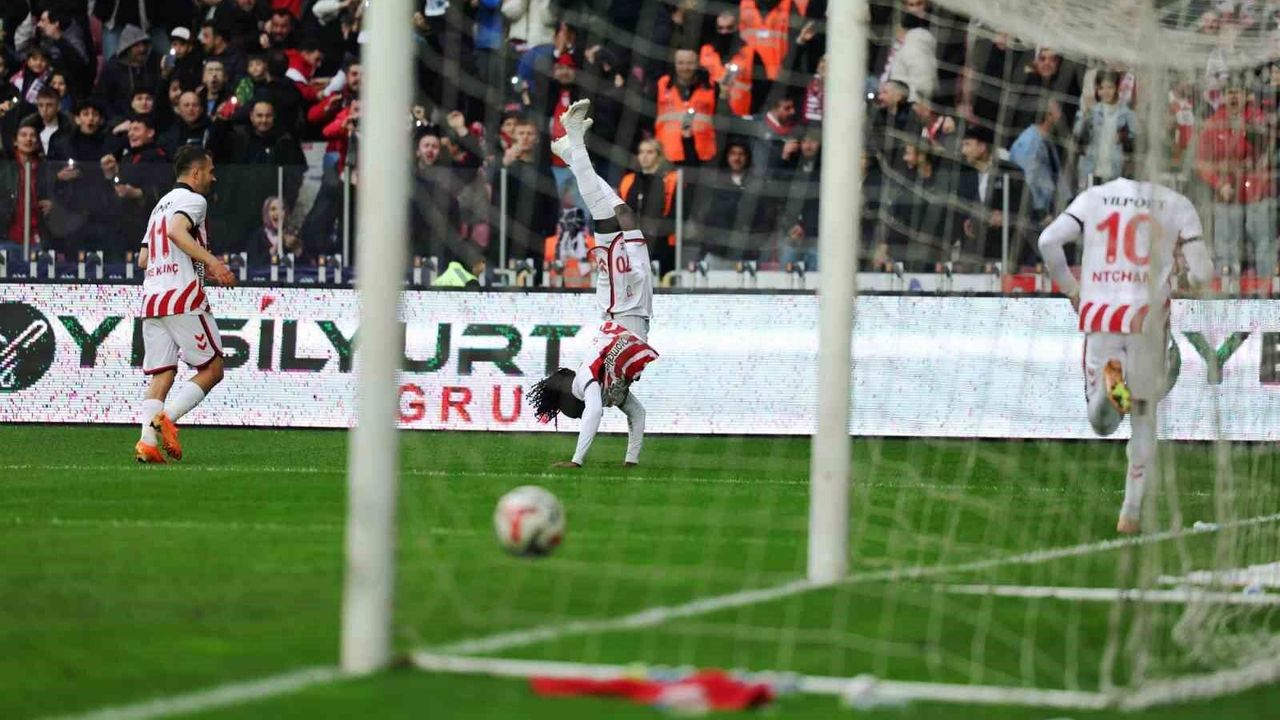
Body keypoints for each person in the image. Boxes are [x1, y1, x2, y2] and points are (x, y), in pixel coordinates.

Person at [1037, 174, 1214, 534]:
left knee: (1102, 425)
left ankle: (1110, 387)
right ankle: (1130, 513)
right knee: (1144, 416)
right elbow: (1203, 272)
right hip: (1148, 320)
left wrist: (1072, 289)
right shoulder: (1178, 204)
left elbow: (1048, 241)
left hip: (1101, 315)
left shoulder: (1095, 196)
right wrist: (1187, 281)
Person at [134, 145, 237, 464]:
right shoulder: (194, 201)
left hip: (152, 299)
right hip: (182, 297)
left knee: (162, 375)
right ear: (196, 173)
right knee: (213, 369)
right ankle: (165, 420)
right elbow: (177, 231)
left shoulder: (159, 206)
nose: (213, 177)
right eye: (210, 171)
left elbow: (143, 258)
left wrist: (178, 261)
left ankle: (147, 443)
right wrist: (213, 263)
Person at [552, 99, 653, 341]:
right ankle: (569, 153)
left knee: (605, 218)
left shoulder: (612, 354)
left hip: (620, 301)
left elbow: (605, 351)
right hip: (640, 299)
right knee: (625, 213)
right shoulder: (629, 359)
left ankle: (574, 137)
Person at [529, 320, 658, 468]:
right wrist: (631, 460)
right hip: (620, 343)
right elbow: (635, 413)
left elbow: (597, 411)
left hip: (623, 331)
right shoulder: (597, 382)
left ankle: (626, 462)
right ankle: (630, 462)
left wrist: (576, 461)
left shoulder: (590, 376)